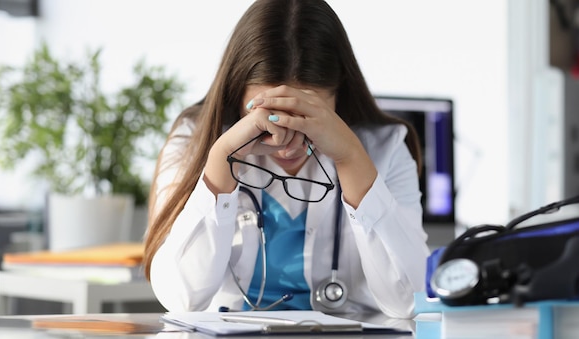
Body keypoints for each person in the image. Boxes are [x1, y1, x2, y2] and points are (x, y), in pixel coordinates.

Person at [143, 0, 429, 319]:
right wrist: (220, 167)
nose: (285, 137)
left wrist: (350, 158)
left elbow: (409, 300)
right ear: (236, 94)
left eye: (307, 115)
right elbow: (181, 298)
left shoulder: (384, 148)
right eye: (267, 116)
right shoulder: (193, 140)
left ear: (338, 96)